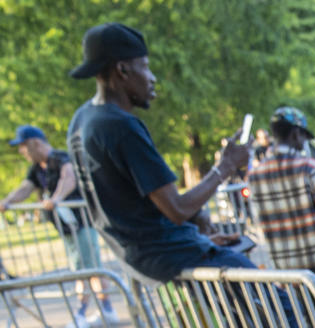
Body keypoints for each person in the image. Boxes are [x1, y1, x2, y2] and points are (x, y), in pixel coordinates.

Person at [65, 22, 253, 284]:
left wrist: (198, 227)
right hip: (168, 256)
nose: (152, 77)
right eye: (145, 66)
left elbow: (133, 200)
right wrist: (226, 166)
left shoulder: (82, 119)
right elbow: (177, 208)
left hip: (139, 257)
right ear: (122, 70)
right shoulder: (120, 125)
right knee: (286, 306)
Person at [1, 124, 119, 328]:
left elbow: (69, 177)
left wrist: (56, 198)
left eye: (23, 146)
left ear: (35, 143)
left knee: (84, 269)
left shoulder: (59, 158)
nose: (22, 152)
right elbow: (26, 188)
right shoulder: (37, 169)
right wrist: (7, 202)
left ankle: (81, 313)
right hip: (66, 227)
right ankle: (108, 309)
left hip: (81, 223)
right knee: (90, 268)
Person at [246, 106, 315, 286]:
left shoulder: (255, 176)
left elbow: (260, 220)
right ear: (296, 134)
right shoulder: (309, 167)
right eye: (303, 137)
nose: (304, 143)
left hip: (291, 277)